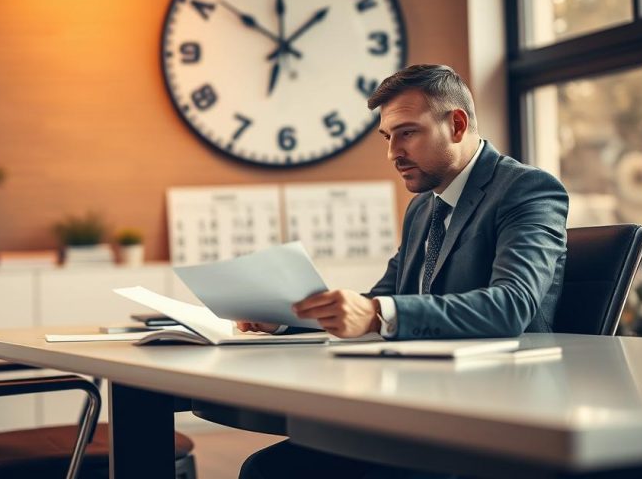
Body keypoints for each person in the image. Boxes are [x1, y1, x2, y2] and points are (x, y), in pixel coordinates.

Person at [238, 63, 569, 479]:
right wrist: (288, 319)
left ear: (458, 124)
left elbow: (512, 306)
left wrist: (377, 314)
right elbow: (379, 299)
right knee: (269, 468)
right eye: (387, 137)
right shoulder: (423, 207)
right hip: (423, 403)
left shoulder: (527, 189)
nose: (393, 152)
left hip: (495, 417)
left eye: (407, 132)